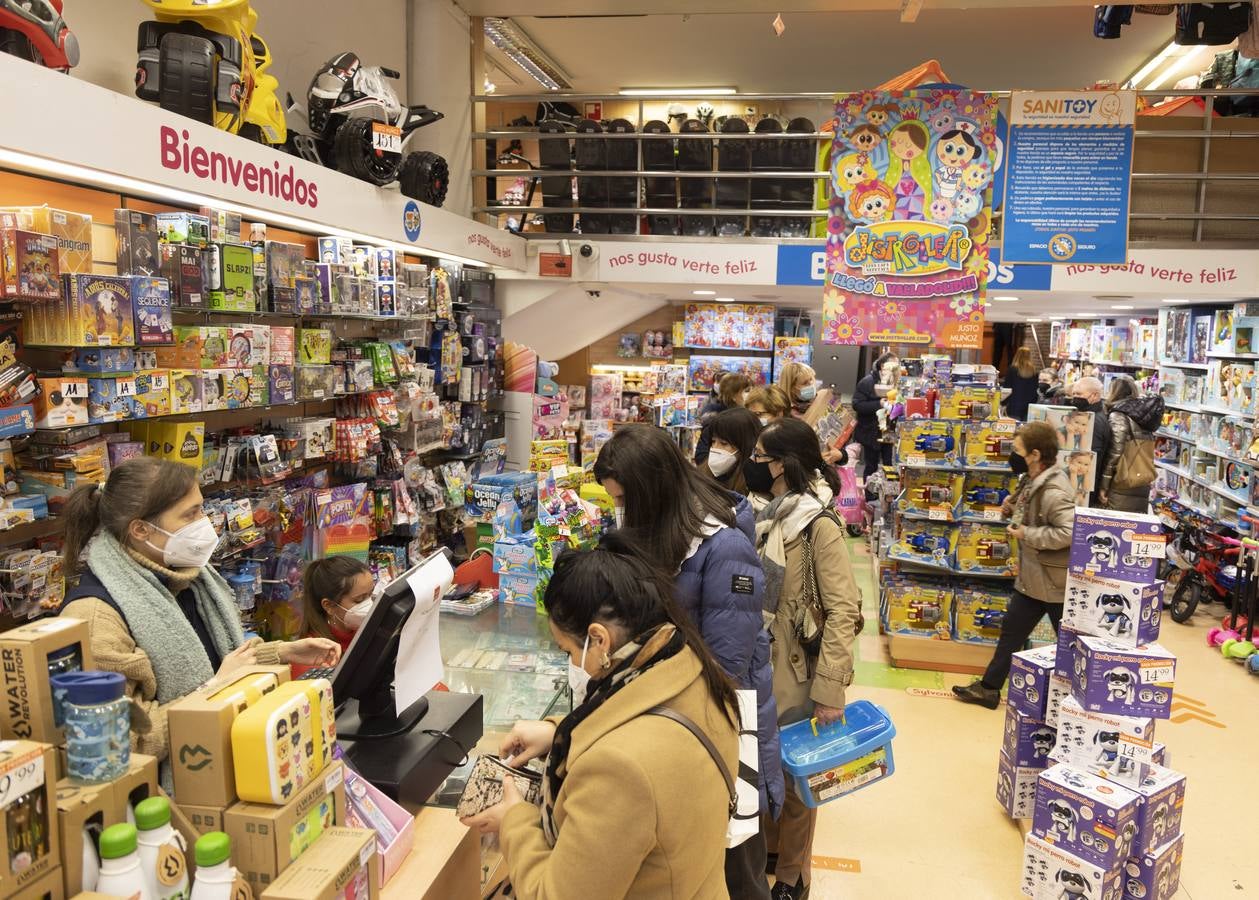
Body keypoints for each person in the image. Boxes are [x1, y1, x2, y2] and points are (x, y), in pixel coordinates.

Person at [461, 536, 740, 899]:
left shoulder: (620, 771)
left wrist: (515, 821)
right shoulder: (694, 670)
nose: (572, 664)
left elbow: (556, 894)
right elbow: (646, 724)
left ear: (600, 640)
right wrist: (557, 731)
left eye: (568, 650)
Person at [595, 425, 782, 899]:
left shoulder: (724, 549)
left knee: (735, 864)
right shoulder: (656, 529)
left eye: (625, 500)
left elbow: (726, 662)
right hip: (677, 717)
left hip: (720, 721)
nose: (622, 511)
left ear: (652, 490)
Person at [59, 458, 341, 769]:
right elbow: (123, 741)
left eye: (201, 509)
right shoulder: (95, 616)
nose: (204, 523)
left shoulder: (186, 576)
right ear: (140, 529)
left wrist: (283, 652)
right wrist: (215, 690)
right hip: (171, 793)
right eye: (190, 514)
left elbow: (221, 659)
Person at [749, 418, 863, 900]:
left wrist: (830, 691)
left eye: (760, 455)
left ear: (781, 463)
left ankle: (795, 875)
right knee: (761, 766)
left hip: (797, 670)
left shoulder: (818, 524)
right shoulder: (766, 514)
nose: (753, 463)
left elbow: (843, 610)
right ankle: (773, 851)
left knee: (798, 776)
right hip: (758, 663)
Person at [954, 423, 1075, 709]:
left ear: (1034, 454)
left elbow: (1069, 533)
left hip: (1053, 583)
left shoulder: (1054, 490)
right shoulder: (1032, 479)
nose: (1012, 454)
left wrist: (1027, 534)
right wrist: (1013, 507)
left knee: (1069, 645)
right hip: (1034, 578)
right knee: (1012, 632)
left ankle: (1081, 699)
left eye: (1017, 450)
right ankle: (989, 688)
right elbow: (1028, 509)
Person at [294, 556, 375, 677]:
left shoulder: (362, 631)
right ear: (329, 606)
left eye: (370, 595)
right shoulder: (311, 656)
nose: (369, 604)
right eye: (359, 600)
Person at [1099, 375, 1165, 513]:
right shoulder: (1145, 414)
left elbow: (1115, 452)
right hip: (1142, 477)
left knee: (1117, 527)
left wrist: (1104, 485)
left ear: (1113, 392)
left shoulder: (1118, 415)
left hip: (1122, 481)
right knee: (1134, 526)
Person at [852, 352, 899, 479]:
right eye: (893, 365)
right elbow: (857, 405)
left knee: (889, 464)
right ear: (883, 365)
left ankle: (888, 495)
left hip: (887, 430)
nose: (896, 368)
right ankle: (869, 496)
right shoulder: (867, 382)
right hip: (871, 431)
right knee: (871, 465)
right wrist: (879, 403)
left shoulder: (892, 381)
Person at [1069, 376, 1114, 506]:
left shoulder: (1094, 421)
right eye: (1074, 394)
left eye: (1079, 394)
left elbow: (1093, 456)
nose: (1075, 398)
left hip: (1086, 486)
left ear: (1094, 396)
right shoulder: (1088, 416)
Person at [695, 372, 751, 465]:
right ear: (733, 395)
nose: (750, 394)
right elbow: (701, 455)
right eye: (746, 390)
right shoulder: (715, 419)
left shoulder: (748, 416)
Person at [707, 407, 762, 497]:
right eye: (713, 441)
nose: (715, 448)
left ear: (746, 445)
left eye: (724, 443)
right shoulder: (703, 475)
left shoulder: (754, 487)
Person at [778, 362, 832, 427]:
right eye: (805, 383)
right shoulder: (788, 417)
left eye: (811, 379)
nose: (811, 384)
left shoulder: (819, 399)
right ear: (791, 389)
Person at [1002, 346, 1040, 421]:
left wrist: (1003, 402)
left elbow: (1007, 388)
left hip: (1014, 405)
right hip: (1029, 406)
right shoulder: (1034, 371)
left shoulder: (1012, 369)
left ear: (1017, 355)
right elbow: (1035, 389)